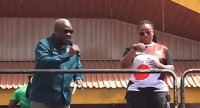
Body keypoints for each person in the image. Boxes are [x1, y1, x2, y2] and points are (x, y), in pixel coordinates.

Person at [29, 18, 84, 108]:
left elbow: (78, 67)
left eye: (71, 31)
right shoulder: (44, 44)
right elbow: (43, 62)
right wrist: (67, 55)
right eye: (66, 31)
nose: (69, 34)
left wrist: (79, 78)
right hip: (42, 100)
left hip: (63, 100)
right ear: (56, 31)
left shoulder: (73, 48)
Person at [121, 20, 174, 108]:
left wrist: (160, 66)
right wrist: (134, 50)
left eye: (148, 32)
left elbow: (171, 69)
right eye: (142, 33)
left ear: (153, 33)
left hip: (159, 90)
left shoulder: (163, 49)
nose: (145, 35)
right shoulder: (131, 48)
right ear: (138, 34)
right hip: (136, 90)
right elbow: (123, 65)